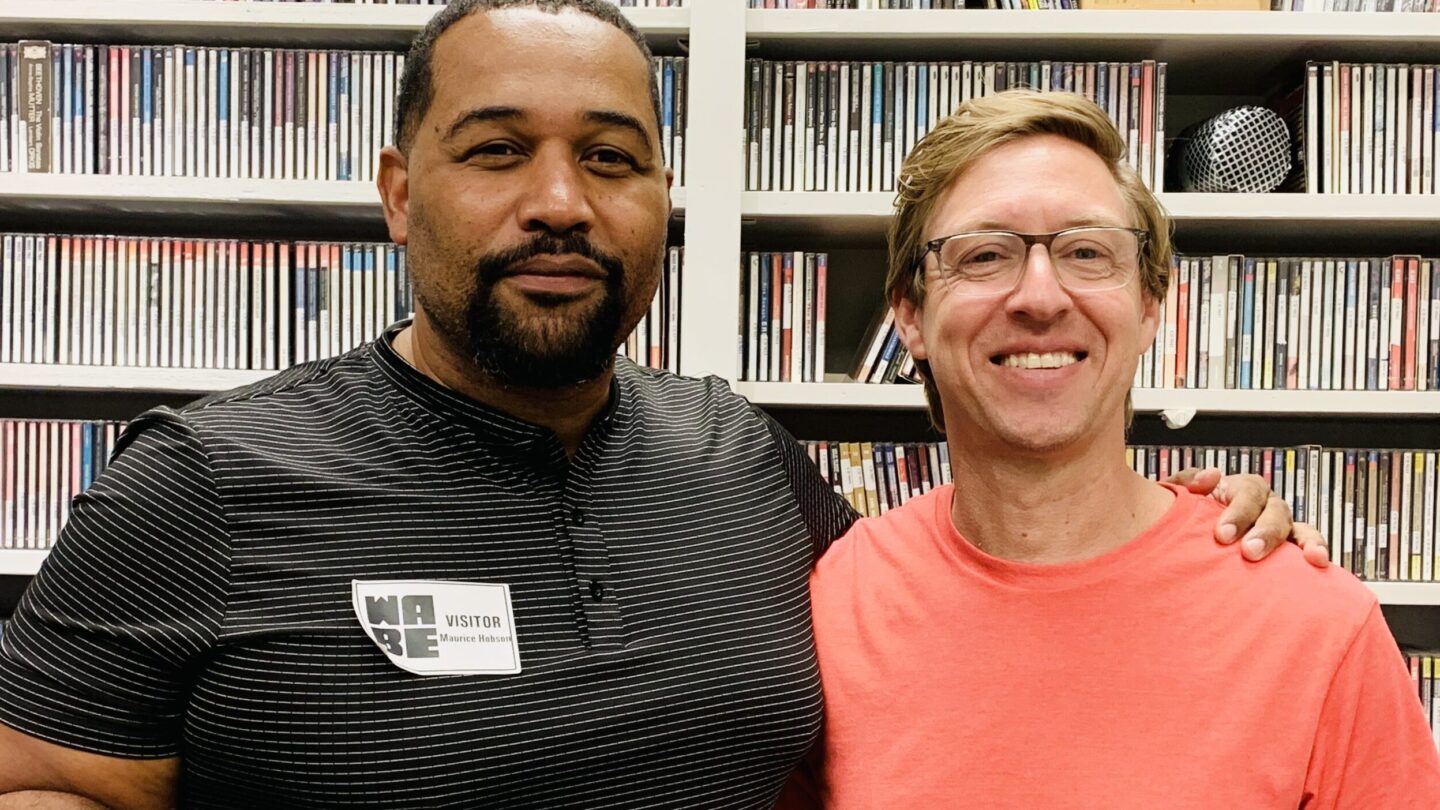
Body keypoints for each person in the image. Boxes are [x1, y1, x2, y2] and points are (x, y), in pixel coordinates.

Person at [0, 4, 1310, 809]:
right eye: (498, 150)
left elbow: (969, 589)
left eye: (612, 159)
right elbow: (40, 781)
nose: (561, 199)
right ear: (401, 193)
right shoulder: (202, 483)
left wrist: (1176, 535)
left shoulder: (745, 462)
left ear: (662, 204)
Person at [787, 90, 1440, 809]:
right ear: (909, 315)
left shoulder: (1315, 625)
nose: (1040, 296)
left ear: (1150, 307)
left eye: (1087, 252)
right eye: (985, 254)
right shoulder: (816, 616)